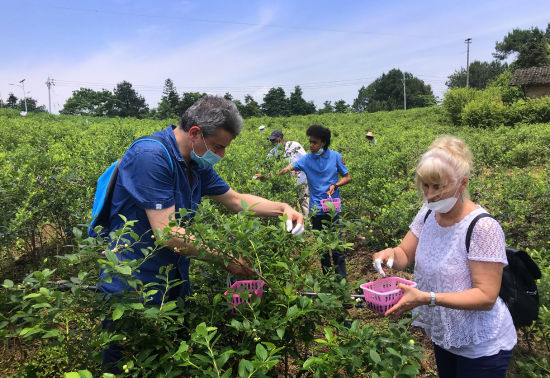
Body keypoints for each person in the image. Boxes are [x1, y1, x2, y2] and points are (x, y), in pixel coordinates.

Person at [99, 96, 304, 372]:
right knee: (127, 362)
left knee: (167, 361)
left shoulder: (196, 164)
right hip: (135, 285)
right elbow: (168, 234)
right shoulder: (151, 157)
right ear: (195, 133)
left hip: (172, 280)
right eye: (218, 146)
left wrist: (282, 208)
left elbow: (235, 200)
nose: (220, 155)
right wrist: (225, 258)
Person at [372, 136, 516, 377]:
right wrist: (388, 255)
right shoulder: (428, 213)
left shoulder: (482, 228)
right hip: (444, 336)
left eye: (438, 187)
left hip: (481, 346)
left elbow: (486, 297)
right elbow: (405, 253)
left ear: (462, 184)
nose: (430, 194)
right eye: (425, 186)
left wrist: (427, 298)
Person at [281, 125, 351, 278]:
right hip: (316, 210)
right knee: (323, 249)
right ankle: (328, 281)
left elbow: (347, 177)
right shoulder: (306, 160)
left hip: (333, 209)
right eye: (310, 142)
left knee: (337, 248)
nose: (311, 146)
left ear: (323, 143)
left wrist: (336, 185)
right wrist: (269, 175)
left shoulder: (336, 157)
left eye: (315, 143)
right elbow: (287, 168)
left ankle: (341, 282)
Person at [255, 130, 309, 214]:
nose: (272, 142)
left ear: (280, 139)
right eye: (271, 140)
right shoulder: (273, 152)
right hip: (287, 183)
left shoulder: (294, 145)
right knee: (291, 204)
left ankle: (308, 225)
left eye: (273, 140)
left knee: (304, 202)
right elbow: (266, 165)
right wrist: (262, 174)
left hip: (301, 179)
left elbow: (305, 160)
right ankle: (296, 223)